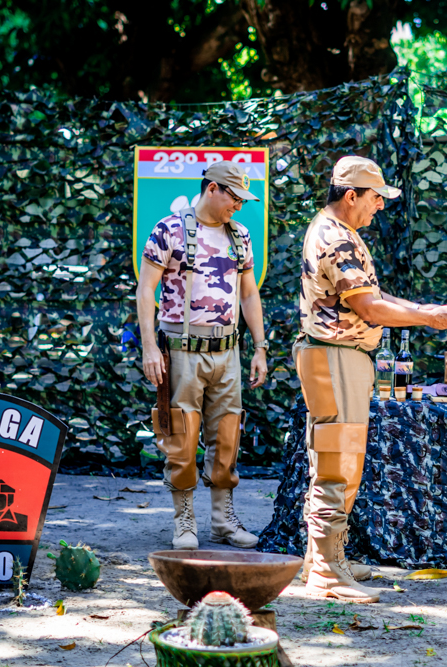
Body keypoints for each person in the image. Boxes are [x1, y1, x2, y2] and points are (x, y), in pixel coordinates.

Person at [296, 155, 447, 604]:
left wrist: (425, 310)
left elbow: (372, 294)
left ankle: (323, 559)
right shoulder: (337, 238)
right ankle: (326, 573)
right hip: (336, 357)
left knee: (335, 460)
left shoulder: (339, 232)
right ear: (351, 196)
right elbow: (368, 308)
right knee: (337, 463)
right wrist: (428, 319)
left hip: (340, 357)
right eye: (375, 197)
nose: (380, 205)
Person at [137, 161, 268, 551]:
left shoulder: (240, 235)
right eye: (234, 198)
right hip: (181, 352)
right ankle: (184, 521)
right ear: (212, 189)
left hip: (227, 353)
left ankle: (223, 521)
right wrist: (149, 347)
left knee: (227, 438)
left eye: (242, 200)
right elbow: (146, 290)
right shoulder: (169, 230)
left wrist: (260, 348)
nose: (238, 207)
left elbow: (249, 294)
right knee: (181, 437)